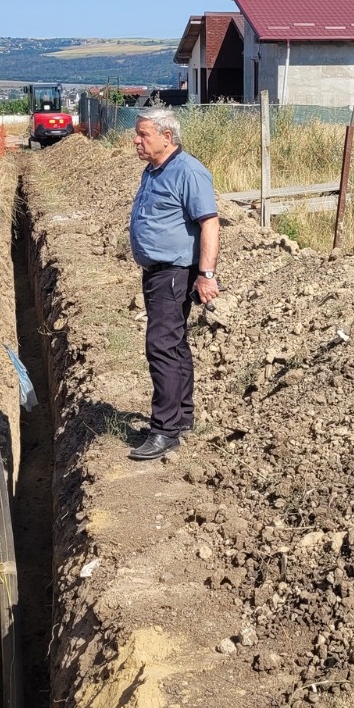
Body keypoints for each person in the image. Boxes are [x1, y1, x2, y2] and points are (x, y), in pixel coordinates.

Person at [127, 108, 219, 461]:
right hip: (157, 272)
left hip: (174, 273)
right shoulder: (153, 170)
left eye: (143, 134)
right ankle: (182, 416)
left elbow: (210, 224)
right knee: (175, 344)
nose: (136, 140)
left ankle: (165, 431)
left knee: (161, 346)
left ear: (167, 137)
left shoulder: (188, 172)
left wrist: (206, 275)